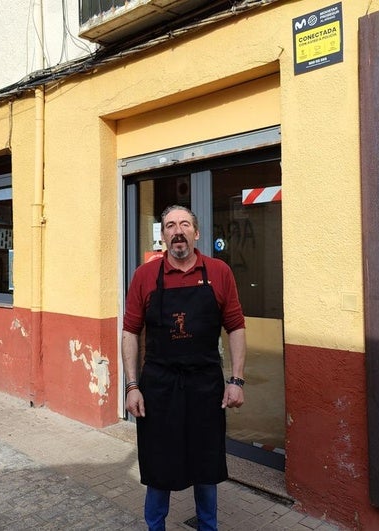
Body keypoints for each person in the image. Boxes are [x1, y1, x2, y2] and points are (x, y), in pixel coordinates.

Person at [122, 205, 246, 531]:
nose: (178, 231)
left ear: (197, 232)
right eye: (170, 226)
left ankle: (208, 526)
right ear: (163, 235)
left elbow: (235, 326)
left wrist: (236, 380)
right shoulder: (144, 276)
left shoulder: (219, 273)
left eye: (185, 224)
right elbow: (130, 332)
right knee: (158, 465)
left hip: (205, 386)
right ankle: (155, 527)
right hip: (159, 387)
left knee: (206, 466)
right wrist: (132, 386)